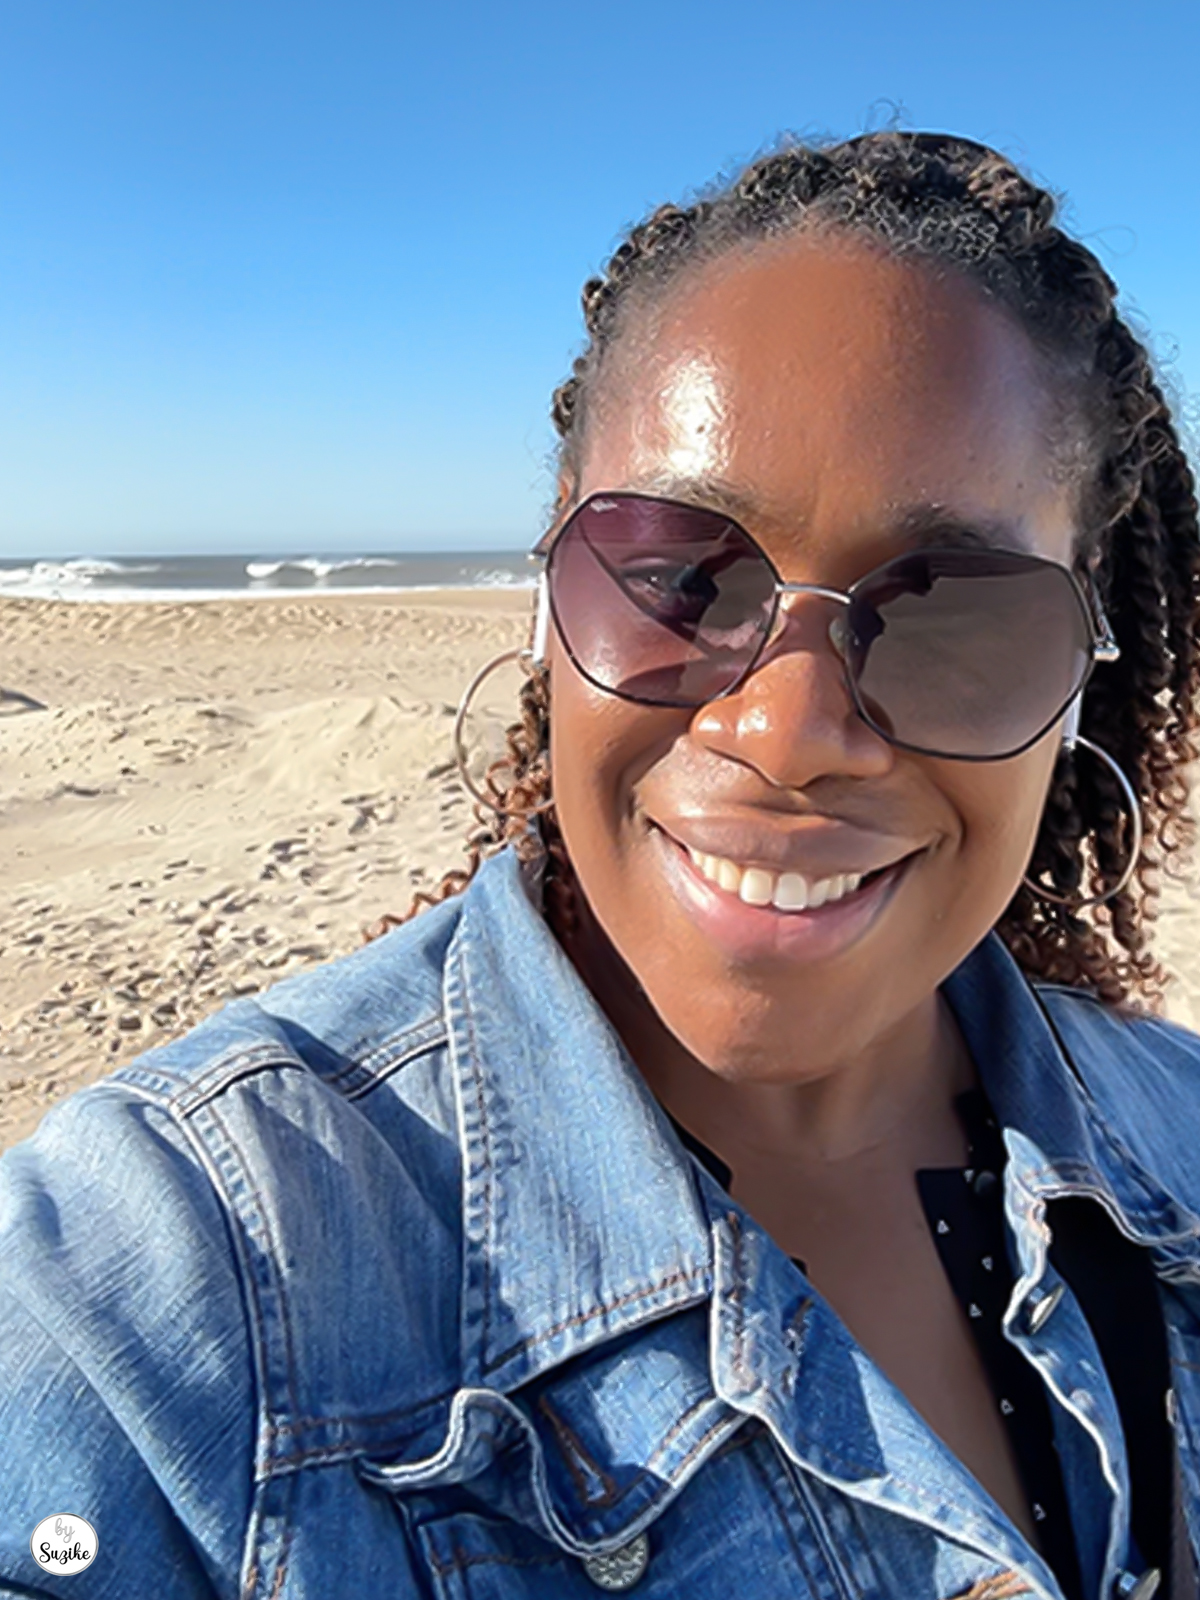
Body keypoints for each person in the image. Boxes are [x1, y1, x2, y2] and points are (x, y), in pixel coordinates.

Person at [2, 130, 1199, 1600]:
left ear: (1086, 665)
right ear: (550, 578)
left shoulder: (1180, 1136)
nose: (792, 729)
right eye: (681, 577)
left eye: (952, 609)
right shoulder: (173, 1277)